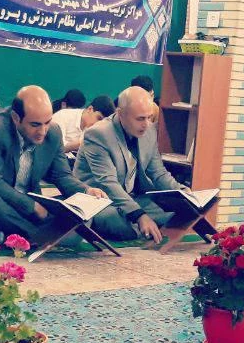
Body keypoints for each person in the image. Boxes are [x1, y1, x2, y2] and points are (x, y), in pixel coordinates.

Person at [0, 86, 107, 244]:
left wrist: (86, 190)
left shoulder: (53, 132)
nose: (43, 131)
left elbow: (61, 175)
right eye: (35, 125)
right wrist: (31, 206)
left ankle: (12, 235)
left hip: (24, 210)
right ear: (16, 118)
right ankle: (41, 236)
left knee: (72, 205)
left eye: (47, 123)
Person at [74, 86, 186, 242]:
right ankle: (137, 226)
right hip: (99, 199)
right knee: (115, 221)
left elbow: (158, 173)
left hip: (131, 197)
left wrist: (183, 193)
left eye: (149, 117)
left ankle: (138, 226)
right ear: (120, 114)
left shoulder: (149, 131)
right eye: (140, 119)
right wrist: (139, 215)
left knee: (175, 212)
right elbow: (108, 183)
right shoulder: (98, 134)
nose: (146, 124)